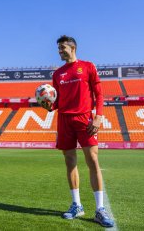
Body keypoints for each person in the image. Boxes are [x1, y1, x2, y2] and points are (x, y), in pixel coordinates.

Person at [40, 35, 114, 228]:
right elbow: (56, 101)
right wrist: (49, 106)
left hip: (85, 119)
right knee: (70, 162)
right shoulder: (58, 74)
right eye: (58, 48)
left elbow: (99, 93)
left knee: (93, 161)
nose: (60, 51)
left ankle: (99, 209)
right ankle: (77, 205)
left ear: (73, 47)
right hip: (64, 120)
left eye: (62, 47)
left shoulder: (88, 66)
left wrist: (98, 117)